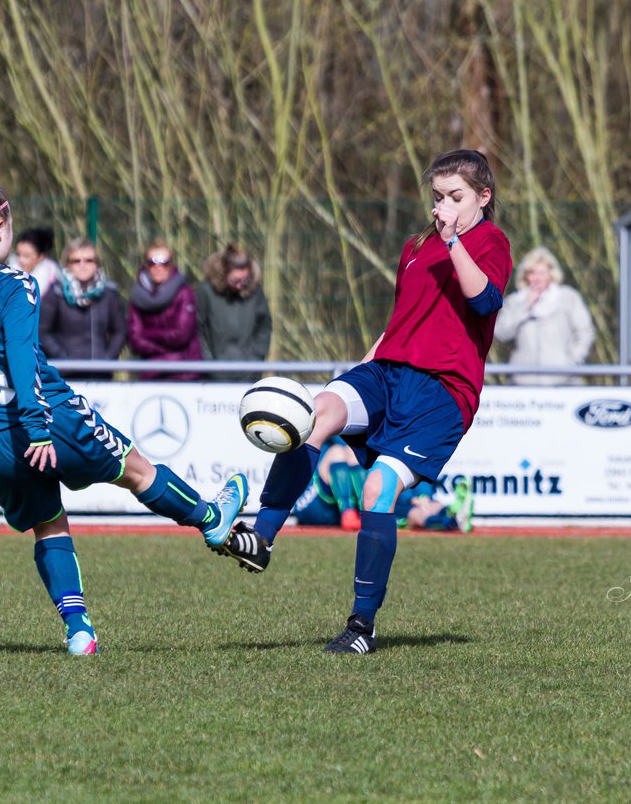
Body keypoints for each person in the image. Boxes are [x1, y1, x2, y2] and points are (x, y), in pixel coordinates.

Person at [0, 183, 249, 654]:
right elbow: (23, 361)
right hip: (48, 421)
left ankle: (79, 631)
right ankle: (210, 518)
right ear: (0, 228)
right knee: (138, 471)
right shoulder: (14, 285)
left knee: (49, 524)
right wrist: (39, 428)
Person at [215, 149, 512, 654]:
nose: (443, 207)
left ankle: (360, 628)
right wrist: (365, 364)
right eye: (438, 197)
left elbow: (483, 301)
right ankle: (262, 538)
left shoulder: (490, 242)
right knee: (315, 415)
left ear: (483, 198)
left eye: (456, 197)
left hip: (443, 393)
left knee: (378, 492)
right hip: (386, 371)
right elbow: (404, 318)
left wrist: (455, 242)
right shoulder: (416, 246)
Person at [493, 246, 594, 385]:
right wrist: (525, 306)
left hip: (564, 382)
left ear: (551, 274)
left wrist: (572, 361)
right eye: (532, 273)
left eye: (542, 273)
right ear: (525, 276)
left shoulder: (567, 298)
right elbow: (501, 333)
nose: (537, 278)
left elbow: (585, 331)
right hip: (522, 383)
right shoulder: (515, 301)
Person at [38, 238, 126, 380]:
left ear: (97, 263)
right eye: (76, 261)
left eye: (89, 260)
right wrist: (63, 359)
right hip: (64, 376)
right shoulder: (55, 293)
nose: (83, 265)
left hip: (101, 375)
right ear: (67, 264)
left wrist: (109, 358)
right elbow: (42, 332)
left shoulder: (109, 294)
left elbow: (120, 331)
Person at [126, 240, 201, 380]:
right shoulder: (137, 295)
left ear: (171, 265)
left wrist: (147, 334)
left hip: (184, 373)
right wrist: (163, 348)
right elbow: (135, 339)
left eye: (164, 262)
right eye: (152, 262)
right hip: (150, 373)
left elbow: (181, 335)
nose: (158, 267)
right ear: (146, 266)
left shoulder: (185, 293)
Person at [195, 244, 271, 379]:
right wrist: (208, 363)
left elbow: (264, 326)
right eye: (235, 280)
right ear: (223, 272)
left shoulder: (255, 292)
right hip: (213, 374)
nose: (241, 285)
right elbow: (196, 329)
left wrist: (255, 358)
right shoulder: (205, 291)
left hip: (249, 373)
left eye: (245, 280)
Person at [291, 439, 364, 530]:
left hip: (345, 508)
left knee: (357, 453)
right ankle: (351, 513)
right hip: (314, 505)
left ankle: (365, 514)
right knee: (338, 452)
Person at [396, 475, 475, 533]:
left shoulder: (422, 467)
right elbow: (399, 490)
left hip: (420, 502)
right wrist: (414, 500)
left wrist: (424, 498)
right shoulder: (397, 464)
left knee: (437, 505)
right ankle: (454, 520)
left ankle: (452, 512)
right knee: (421, 513)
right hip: (400, 508)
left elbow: (426, 487)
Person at [13, 227, 61, 295]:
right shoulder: (8, 273)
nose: (20, 260)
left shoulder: (54, 284)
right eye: (18, 254)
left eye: (26, 256)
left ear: (41, 256)